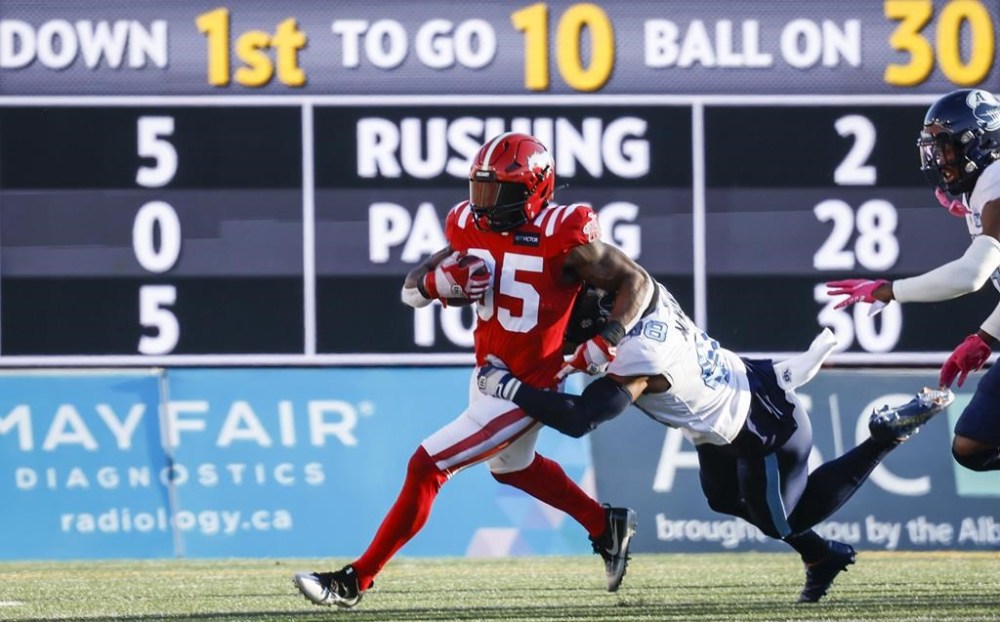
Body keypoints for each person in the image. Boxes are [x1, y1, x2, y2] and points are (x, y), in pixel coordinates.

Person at [293, 132, 656, 608]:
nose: (486, 203)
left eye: (501, 192)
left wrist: (608, 336)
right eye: (481, 189)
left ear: (538, 189)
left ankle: (354, 581)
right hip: (487, 372)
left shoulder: (565, 232)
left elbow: (637, 281)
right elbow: (410, 291)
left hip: (527, 383)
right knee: (511, 467)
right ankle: (602, 523)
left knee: (427, 466)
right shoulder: (465, 222)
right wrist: (436, 281)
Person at [476, 281, 953, 603]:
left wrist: (509, 387)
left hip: (761, 426)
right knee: (722, 497)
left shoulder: (638, 355)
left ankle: (882, 439)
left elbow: (582, 419)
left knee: (783, 519)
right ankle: (821, 555)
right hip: (730, 406)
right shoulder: (643, 294)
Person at [826, 88, 1000, 475]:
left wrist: (890, 291)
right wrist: (986, 337)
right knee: (972, 445)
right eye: (934, 149)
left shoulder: (997, 182)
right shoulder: (985, 186)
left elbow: (971, 275)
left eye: (947, 147)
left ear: (982, 141)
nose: (940, 160)